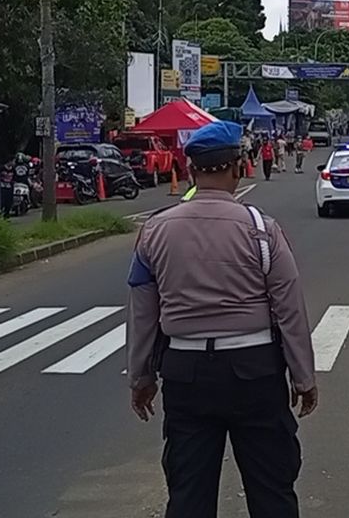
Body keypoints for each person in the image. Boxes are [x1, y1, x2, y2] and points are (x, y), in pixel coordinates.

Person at [126, 121, 317, 518]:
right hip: (256, 373)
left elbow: (143, 314)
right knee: (272, 492)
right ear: (238, 167)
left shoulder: (153, 232)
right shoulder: (262, 229)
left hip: (185, 375)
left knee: (188, 493)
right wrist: (303, 377)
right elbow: (290, 308)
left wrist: (141, 377)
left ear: (191, 169)